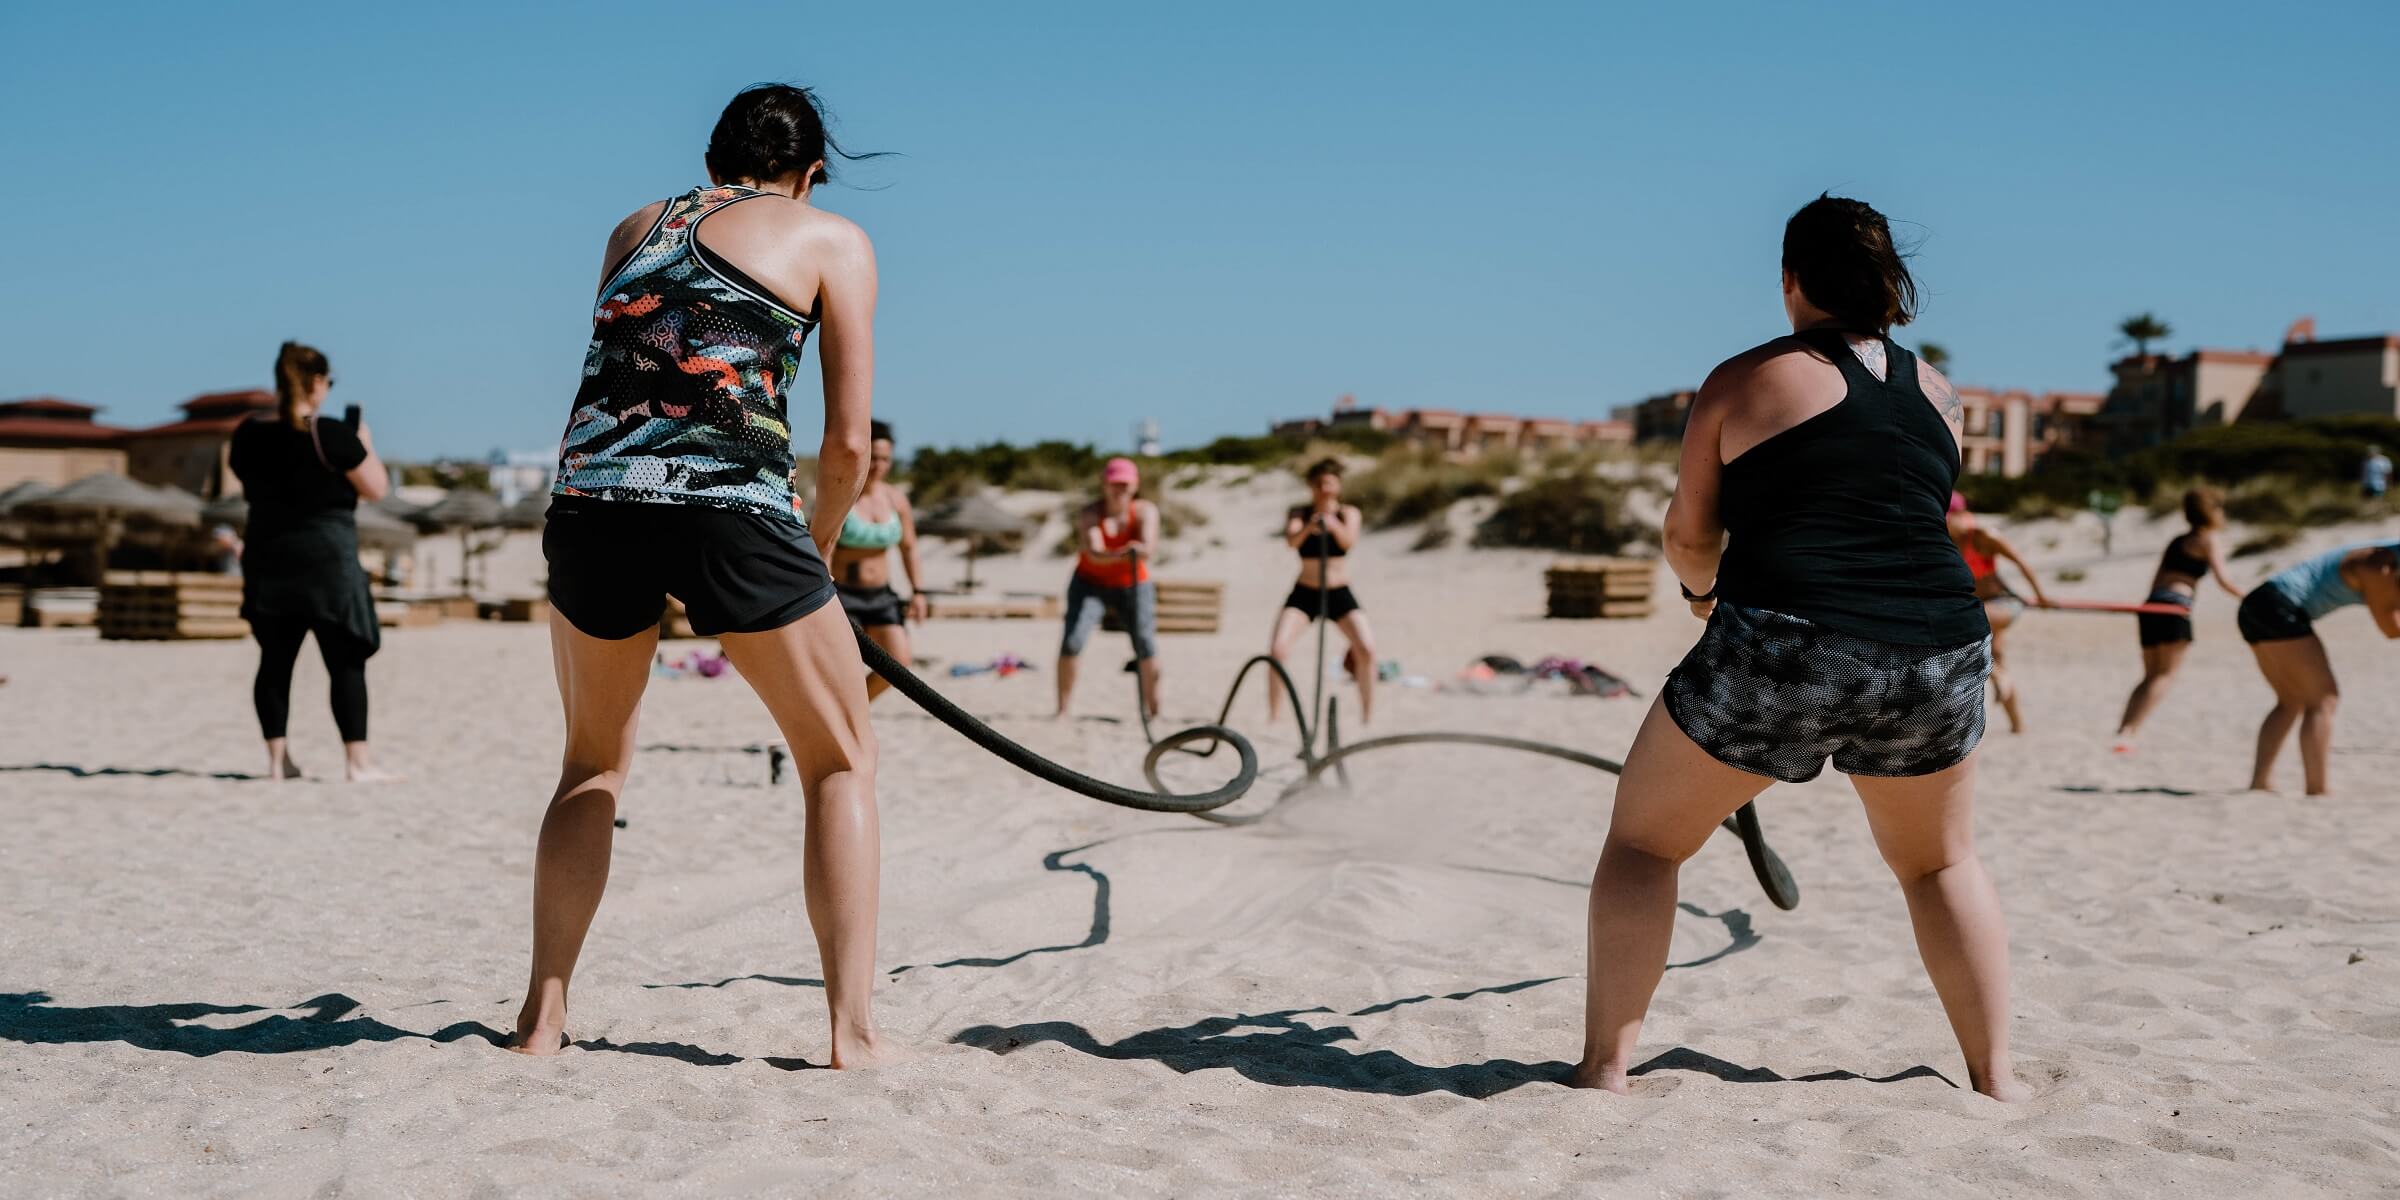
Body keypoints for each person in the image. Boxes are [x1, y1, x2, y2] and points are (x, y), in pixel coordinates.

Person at [1577, 195, 2025, 1101]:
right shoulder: (1942, 393)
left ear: (1790, 279)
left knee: (1644, 845)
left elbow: (1690, 535)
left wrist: (1703, 595)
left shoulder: (1744, 379)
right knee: (1940, 863)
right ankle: (1996, 1077)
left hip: (1791, 639)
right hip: (1941, 647)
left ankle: (1604, 1067)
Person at [524, 83, 897, 1068]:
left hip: (591, 500)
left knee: (591, 763)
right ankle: (852, 1035)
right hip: (729, 504)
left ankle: (539, 1021)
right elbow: (850, 443)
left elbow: (623, 368)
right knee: (839, 761)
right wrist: (813, 549)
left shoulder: (634, 226)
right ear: (810, 172)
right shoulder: (829, 236)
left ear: (711, 159)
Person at [227, 341, 397, 784]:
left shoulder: (248, 433)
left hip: (269, 556)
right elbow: (376, 488)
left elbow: (246, 477)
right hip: (326, 561)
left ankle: (276, 760)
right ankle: (357, 762)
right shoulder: (332, 434)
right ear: (317, 382)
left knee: (275, 661)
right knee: (345, 661)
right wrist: (366, 444)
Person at [2237, 540, 2400, 795]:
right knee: (2324, 699)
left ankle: (2261, 782)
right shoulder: (2378, 564)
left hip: (2258, 604)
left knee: (2290, 700)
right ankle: (2318, 789)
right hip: (2278, 607)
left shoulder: (2385, 556)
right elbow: (2390, 628)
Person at [2111, 488, 2243, 752]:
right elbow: (2223, 579)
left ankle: (2124, 728)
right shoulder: (2208, 540)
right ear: (2212, 511)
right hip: (2175, 607)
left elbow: (2155, 580)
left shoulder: (2176, 541)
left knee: (2149, 675)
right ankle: (2130, 732)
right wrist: (2249, 596)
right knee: (2166, 675)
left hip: (2150, 607)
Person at [1266, 458, 1377, 725]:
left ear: (1338, 485)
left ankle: (1367, 714)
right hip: (1305, 591)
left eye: (1329, 482)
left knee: (1367, 649)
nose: (1324, 488)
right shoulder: (1299, 513)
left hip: (1339, 591)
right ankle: (1274, 714)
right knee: (1277, 650)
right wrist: (1310, 526)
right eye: (1319, 483)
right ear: (1311, 486)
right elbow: (1292, 542)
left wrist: (1331, 523)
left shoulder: (1348, 513)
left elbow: (1348, 541)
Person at [1055, 457, 1160, 719]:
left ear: (1134, 486)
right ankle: (1063, 709)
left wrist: (1127, 553)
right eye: (1115, 484)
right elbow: (1094, 552)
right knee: (1072, 641)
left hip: (1132, 582)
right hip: (1090, 583)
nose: (1119, 490)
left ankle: (1154, 711)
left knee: (1146, 643)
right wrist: (1125, 552)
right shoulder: (1091, 512)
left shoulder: (1145, 511)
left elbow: (1148, 548)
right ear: (1105, 485)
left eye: (1125, 484)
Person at [830, 420, 926, 700]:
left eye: (886, 459)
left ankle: (855, 713)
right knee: (841, 671)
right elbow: (824, 546)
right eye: (874, 457)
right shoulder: (843, 494)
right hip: (843, 596)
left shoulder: (896, 500)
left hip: (882, 596)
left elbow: (909, 548)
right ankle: (837, 724)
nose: (879, 465)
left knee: (898, 665)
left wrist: (918, 592)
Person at [1946, 494, 2048, 733]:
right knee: (1998, 657)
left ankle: (1998, 675)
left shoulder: (1983, 536)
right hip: (1978, 607)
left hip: (2003, 603)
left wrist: (2041, 596)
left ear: (1962, 516)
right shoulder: (1946, 541)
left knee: (1967, 633)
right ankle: (2017, 726)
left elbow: (2021, 562)